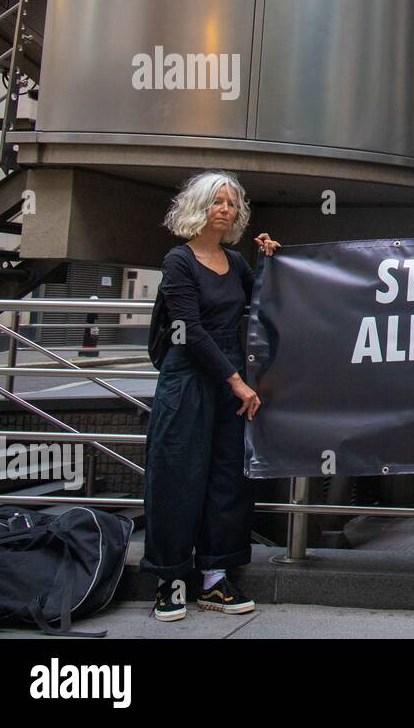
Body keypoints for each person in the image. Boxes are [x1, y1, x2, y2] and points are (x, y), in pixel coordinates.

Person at [143, 170, 280, 622]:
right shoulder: (178, 261)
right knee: (176, 478)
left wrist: (269, 262)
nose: (225, 209)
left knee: (228, 480)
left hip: (229, 383)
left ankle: (215, 579)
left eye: (232, 203)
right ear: (198, 207)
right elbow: (189, 332)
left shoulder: (236, 262)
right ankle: (170, 582)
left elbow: (257, 308)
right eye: (217, 201)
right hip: (188, 379)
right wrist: (235, 380)